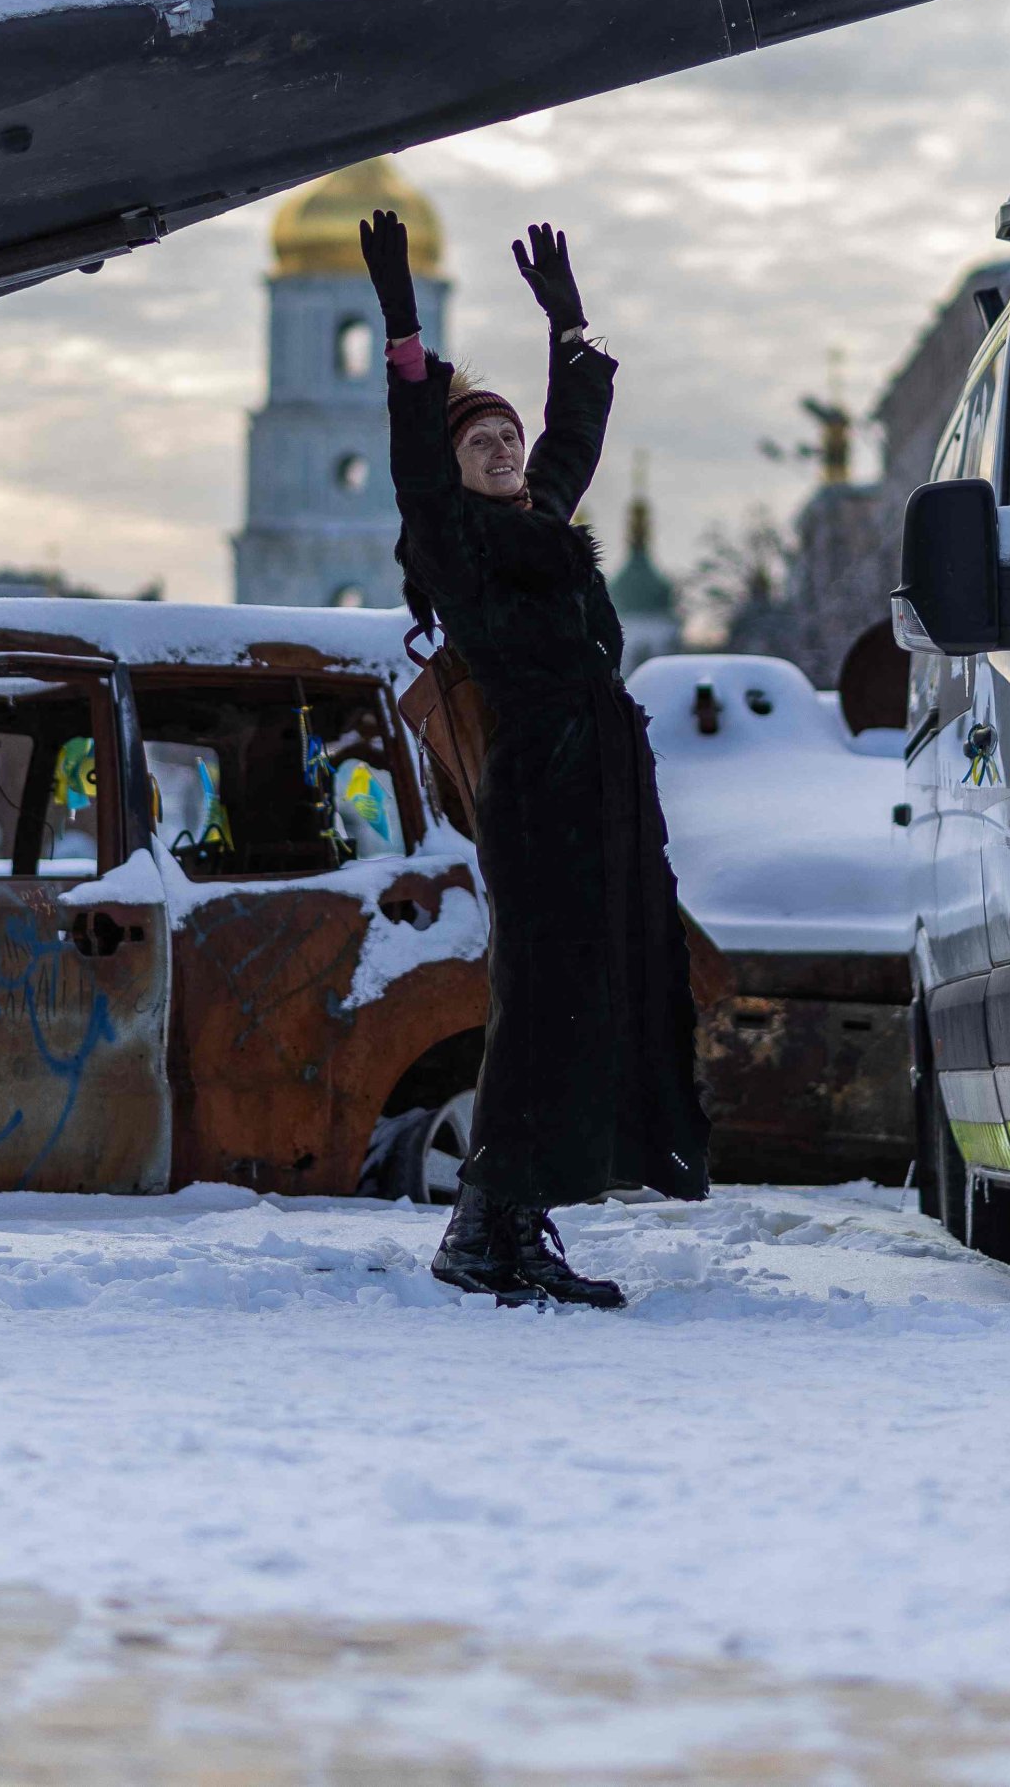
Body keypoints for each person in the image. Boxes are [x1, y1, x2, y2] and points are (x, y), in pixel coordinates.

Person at [360, 205, 711, 1306]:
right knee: (543, 1001)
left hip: (604, 788)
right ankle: (484, 1227)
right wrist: (408, 331)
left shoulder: (544, 522)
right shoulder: (453, 548)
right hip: (540, 789)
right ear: (453, 468)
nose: (503, 447)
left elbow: (572, 438)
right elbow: (419, 465)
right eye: (480, 441)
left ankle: (513, 1224)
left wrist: (567, 325)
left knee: (595, 997)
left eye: (505, 434)